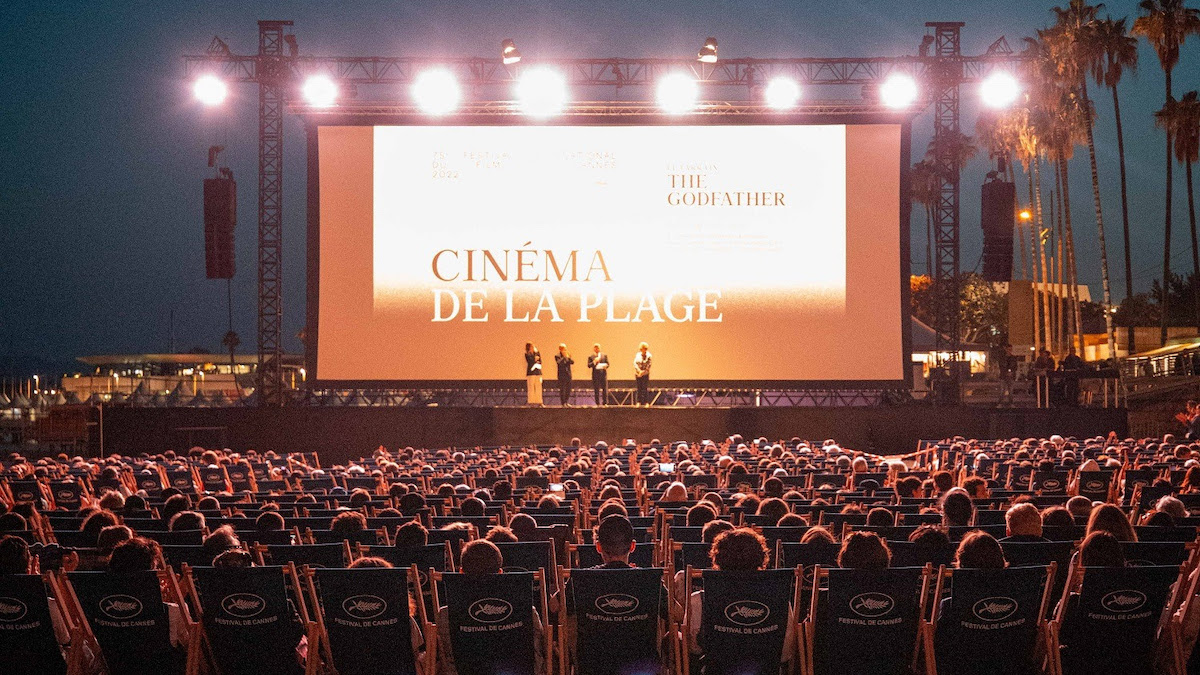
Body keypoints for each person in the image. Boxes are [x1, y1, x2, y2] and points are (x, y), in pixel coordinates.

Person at [633, 342, 652, 406]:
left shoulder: (649, 356)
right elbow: (635, 363)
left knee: (644, 388)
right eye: (641, 349)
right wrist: (639, 371)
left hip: (645, 374)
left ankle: (646, 402)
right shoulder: (637, 355)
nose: (642, 350)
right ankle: (639, 402)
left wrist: (643, 372)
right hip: (638, 374)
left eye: (644, 349)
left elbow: (648, 366)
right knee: (639, 388)